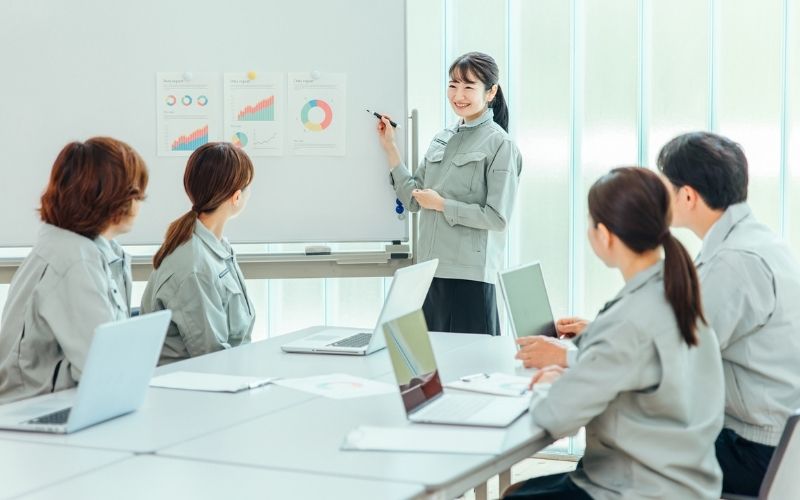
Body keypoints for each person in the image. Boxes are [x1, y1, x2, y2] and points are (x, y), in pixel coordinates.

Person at [504, 167, 724, 499]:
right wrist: (577, 370)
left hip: (639, 487)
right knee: (522, 489)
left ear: (604, 235)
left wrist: (557, 384)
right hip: (686, 478)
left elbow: (557, 417)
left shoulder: (629, 320)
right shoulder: (678, 292)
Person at [657, 131, 800, 496]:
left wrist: (575, 356)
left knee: (617, 452)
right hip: (771, 438)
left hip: (756, 451)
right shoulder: (756, 240)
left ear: (687, 195)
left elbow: (675, 357)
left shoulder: (734, 262)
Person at [376, 51, 522, 335]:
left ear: (490, 92)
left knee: (471, 370)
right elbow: (413, 198)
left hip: (469, 278)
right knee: (428, 370)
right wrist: (391, 148)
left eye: (469, 86)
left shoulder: (500, 145)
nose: (459, 94)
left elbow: (497, 218)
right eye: (453, 85)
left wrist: (443, 205)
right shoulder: (442, 138)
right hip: (428, 274)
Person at [0, 137, 148, 404]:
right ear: (109, 197)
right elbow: (105, 368)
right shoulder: (74, 260)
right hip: (32, 409)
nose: (140, 204)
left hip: (52, 401)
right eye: (135, 194)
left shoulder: (81, 249)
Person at [141, 142, 255, 365]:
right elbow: (211, 357)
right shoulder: (193, 265)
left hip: (225, 373)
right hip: (193, 388)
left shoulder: (216, 248)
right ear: (237, 196)